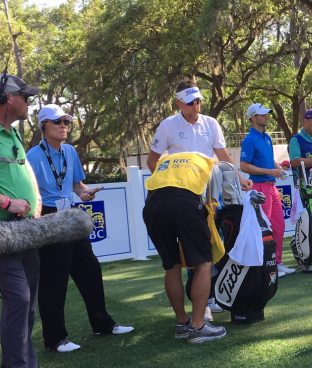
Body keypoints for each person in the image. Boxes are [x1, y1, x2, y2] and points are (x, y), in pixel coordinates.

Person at [144, 80, 250, 342]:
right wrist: (174, 180)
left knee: (179, 262)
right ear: (178, 102)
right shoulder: (168, 124)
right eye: (190, 101)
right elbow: (152, 160)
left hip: (179, 199)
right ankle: (198, 324)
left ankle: (189, 319)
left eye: (198, 100)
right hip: (187, 199)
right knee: (201, 260)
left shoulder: (211, 123)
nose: (196, 105)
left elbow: (223, 156)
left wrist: (238, 177)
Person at [26, 104, 134, 353]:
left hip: (72, 214)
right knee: (55, 279)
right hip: (49, 217)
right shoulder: (33, 156)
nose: (64, 126)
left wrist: (85, 192)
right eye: (58, 122)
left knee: (89, 269)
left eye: (66, 122)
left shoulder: (70, 151)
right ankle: (55, 339)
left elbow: (76, 184)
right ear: (44, 126)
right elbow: (32, 191)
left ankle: (102, 324)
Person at [0, 74, 55, 368]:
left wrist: (33, 200)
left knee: (27, 304)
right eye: (24, 96)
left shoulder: (15, 134)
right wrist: (7, 204)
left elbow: (26, 175)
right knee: (19, 300)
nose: (29, 101)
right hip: (3, 235)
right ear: (7, 100)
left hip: (26, 233)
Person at [239, 103, 294, 278]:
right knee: (264, 228)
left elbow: (268, 161)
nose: (266, 117)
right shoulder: (249, 140)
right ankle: (265, 266)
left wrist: (277, 167)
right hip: (259, 188)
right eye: (262, 115)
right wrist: (271, 171)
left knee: (279, 225)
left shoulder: (267, 138)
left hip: (271, 187)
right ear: (253, 118)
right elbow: (244, 166)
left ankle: (277, 263)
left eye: (266, 114)